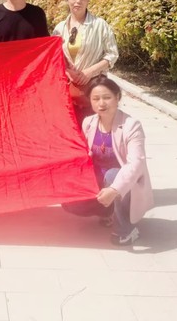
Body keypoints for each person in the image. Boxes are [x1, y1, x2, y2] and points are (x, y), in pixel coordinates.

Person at [62, 76, 154, 246]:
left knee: (113, 175)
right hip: (99, 180)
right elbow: (83, 155)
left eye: (107, 97)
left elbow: (136, 164)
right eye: (95, 99)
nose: (101, 103)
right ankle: (108, 212)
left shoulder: (131, 125)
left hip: (126, 184)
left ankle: (126, 229)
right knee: (69, 201)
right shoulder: (88, 122)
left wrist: (114, 189)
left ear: (117, 97)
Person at [52, 0, 119, 122]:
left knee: (93, 128)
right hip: (67, 91)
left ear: (88, 0)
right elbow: (54, 57)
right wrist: (68, 72)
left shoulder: (100, 25)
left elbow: (112, 54)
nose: (78, 1)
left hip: (93, 89)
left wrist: (89, 72)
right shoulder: (59, 28)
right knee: (70, 128)